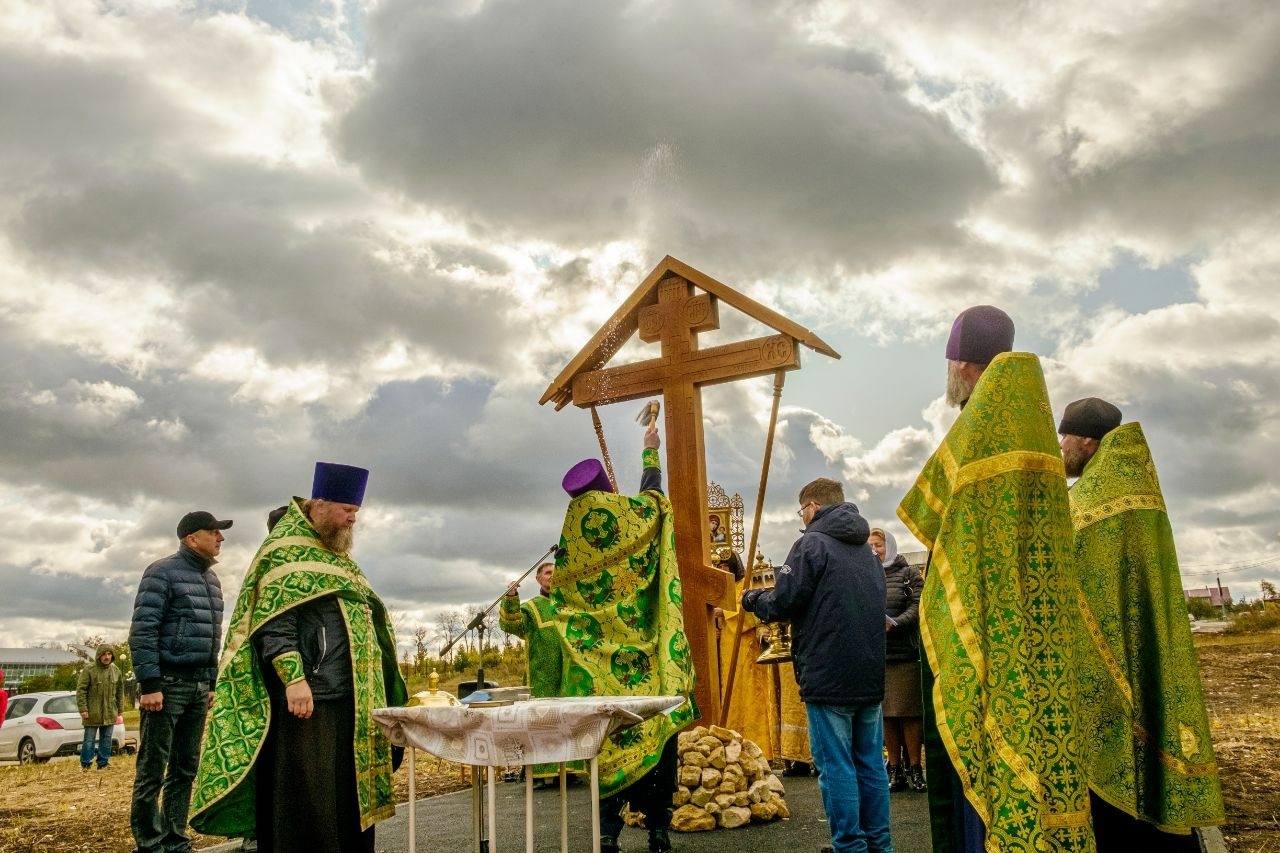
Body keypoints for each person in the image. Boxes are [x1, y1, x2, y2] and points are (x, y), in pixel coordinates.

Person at [897, 306, 1095, 853]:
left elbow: (928, 518)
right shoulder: (1033, 423)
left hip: (987, 625)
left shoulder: (980, 426)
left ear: (961, 365)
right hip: (1042, 628)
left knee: (983, 747)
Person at [190, 463, 407, 853]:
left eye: (356, 513)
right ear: (319, 505)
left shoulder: (334, 555)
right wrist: (294, 679)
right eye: (346, 510)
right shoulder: (284, 552)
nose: (352, 519)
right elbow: (274, 623)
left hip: (351, 698)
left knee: (345, 798)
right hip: (310, 699)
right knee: (309, 801)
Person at [1058, 397, 1225, 850]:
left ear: (1088, 441)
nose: (1061, 445)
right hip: (1139, 653)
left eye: (1066, 436)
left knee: (1121, 794)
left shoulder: (1092, 499)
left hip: (1108, 669)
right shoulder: (1133, 485)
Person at [553, 425, 696, 853]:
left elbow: (560, 596)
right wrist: (650, 452)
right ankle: (657, 830)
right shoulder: (627, 519)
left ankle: (608, 833)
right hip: (645, 657)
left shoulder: (572, 536)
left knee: (606, 742)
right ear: (609, 490)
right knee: (655, 734)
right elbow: (654, 502)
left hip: (598, 666)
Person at [741, 478, 891, 853]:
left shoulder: (811, 545)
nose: (802, 518)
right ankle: (879, 845)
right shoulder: (868, 554)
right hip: (869, 672)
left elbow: (784, 603)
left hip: (828, 674)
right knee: (870, 765)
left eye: (801, 511)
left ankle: (849, 847)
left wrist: (753, 598)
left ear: (812, 507)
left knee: (837, 766)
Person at [128, 510, 229, 853]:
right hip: (167, 685)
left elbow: (213, 637)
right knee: (152, 768)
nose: (221, 538)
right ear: (191, 538)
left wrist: (211, 681)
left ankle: (175, 838)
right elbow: (143, 630)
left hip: (199, 687)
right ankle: (150, 842)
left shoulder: (212, 582)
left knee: (185, 767)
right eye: (214, 532)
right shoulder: (161, 572)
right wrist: (150, 684)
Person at [500, 561, 583, 783]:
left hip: (569, 675)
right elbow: (511, 625)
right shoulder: (531, 607)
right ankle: (538, 772)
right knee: (541, 725)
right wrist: (511, 598)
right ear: (538, 579)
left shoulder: (570, 605)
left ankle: (569, 771)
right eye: (547, 573)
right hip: (541, 677)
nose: (552, 576)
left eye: (555, 573)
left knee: (568, 722)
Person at [869, 528, 924, 794]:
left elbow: (918, 605)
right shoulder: (866, 574)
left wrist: (896, 623)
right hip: (879, 655)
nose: (874, 550)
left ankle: (916, 768)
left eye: (878, 545)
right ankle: (895, 768)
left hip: (905, 653)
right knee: (888, 716)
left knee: (909, 714)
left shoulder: (908, 573)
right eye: (870, 546)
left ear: (888, 545)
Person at [76, 643, 124, 770]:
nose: (106, 657)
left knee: (106, 739)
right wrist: (83, 709)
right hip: (92, 712)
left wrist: (120, 710)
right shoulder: (89, 670)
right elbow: (81, 690)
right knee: (89, 740)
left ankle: (103, 763)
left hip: (109, 712)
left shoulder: (116, 671)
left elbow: (120, 691)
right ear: (99, 656)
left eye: (109, 654)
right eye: (104, 654)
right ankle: (85, 763)